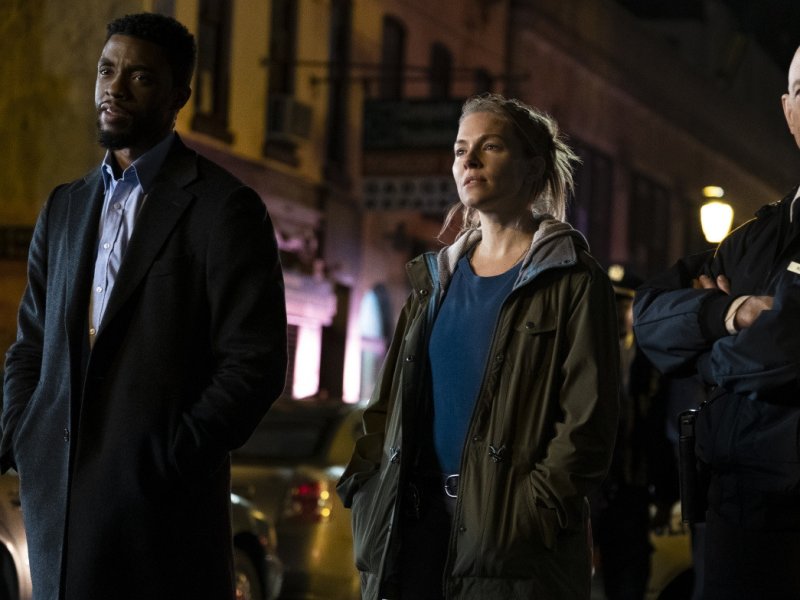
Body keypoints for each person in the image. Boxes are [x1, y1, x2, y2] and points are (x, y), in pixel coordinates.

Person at [1, 13, 287, 600]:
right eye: (107, 71)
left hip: (160, 522)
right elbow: (31, 345)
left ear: (179, 95)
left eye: (140, 77)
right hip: (57, 514)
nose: (115, 88)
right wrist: (24, 435)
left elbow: (254, 363)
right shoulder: (65, 207)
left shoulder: (223, 209)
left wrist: (168, 458)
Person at [337, 93, 620, 599]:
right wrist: (367, 485)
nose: (469, 161)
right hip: (412, 531)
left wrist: (531, 513)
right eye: (460, 149)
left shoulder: (572, 280)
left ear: (533, 168)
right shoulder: (434, 280)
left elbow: (586, 425)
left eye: (490, 147)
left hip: (509, 544)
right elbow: (387, 405)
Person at [633, 45, 800, 600]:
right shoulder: (751, 238)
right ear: (787, 110)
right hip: (734, 520)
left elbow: (784, 351)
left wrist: (704, 353)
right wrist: (730, 313)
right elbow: (649, 316)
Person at [590, 266, 677, 600]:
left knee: (629, 579)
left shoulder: (650, 360)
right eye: (609, 304)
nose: (614, 313)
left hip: (632, 488)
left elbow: (661, 428)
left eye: (622, 304)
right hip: (592, 488)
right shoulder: (586, 354)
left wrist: (665, 495)